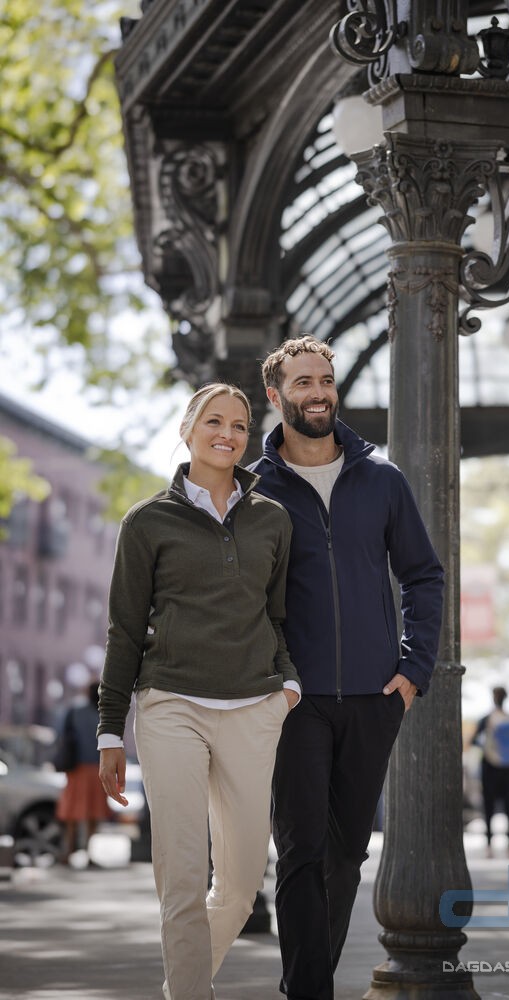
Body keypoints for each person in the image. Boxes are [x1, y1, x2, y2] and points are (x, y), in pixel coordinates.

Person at [249, 335, 444, 1000]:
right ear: (276, 398)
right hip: (292, 698)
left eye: (324, 380)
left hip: (372, 697)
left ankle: (307, 983)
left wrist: (412, 671)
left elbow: (422, 575)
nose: (318, 393)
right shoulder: (256, 490)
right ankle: (308, 992)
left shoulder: (380, 480)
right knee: (300, 852)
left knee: (346, 855)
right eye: (303, 382)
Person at [97, 383, 300, 1000]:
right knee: (181, 876)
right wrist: (110, 729)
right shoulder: (147, 521)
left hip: (253, 707)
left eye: (240, 425)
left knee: (238, 888)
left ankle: (178, 986)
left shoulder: (272, 519)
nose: (228, 434)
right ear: (187, 430)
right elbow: (125, 628)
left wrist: (286, 684)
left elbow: (277, 613)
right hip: (172, 707)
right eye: (214, 421)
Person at [55, 680, 112, 864]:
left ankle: (69, 851)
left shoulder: (75, 710)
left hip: (78, 768)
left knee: (73, 812)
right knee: (92, 814)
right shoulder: (104, 712)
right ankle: (86, 853)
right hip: (95, 767)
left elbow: (61, 733)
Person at [472, 685, 509, 858]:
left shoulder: (486, 719)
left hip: (490, 767)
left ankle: (490, 847)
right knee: (508, 808)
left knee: (489, 808)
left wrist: (487, 747)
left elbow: (473, 741)